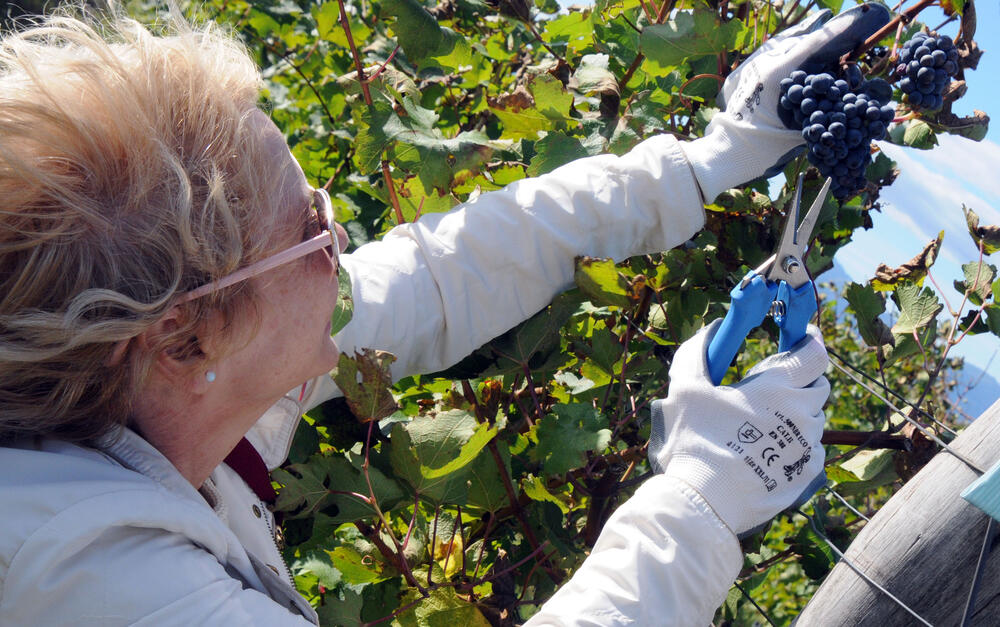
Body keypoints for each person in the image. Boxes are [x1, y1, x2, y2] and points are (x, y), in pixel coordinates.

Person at [0, 4, 888, 626]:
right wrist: (699, 501)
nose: (342, 238)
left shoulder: (163, 396)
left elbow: (441, 270)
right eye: (310, 228)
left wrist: (711, 160)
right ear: (186, 336)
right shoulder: (83, 579)